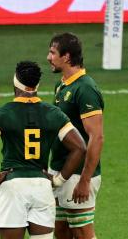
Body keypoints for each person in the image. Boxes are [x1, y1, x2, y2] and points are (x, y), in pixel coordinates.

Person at [0, 61, 87, 239]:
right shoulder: (53, 113)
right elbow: (80, 147)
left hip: (13, 186)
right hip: (42, 187)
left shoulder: (4, 113)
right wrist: (59, 180)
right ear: (37, 85)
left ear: (15, 82)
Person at [47, 32, 104, 239]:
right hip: (62, 170)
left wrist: (85, 180)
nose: (48, 57)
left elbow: (96, 137)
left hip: (78, 174)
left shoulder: (85, 89)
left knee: (82, 232)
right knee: (60, 231)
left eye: (53, 53)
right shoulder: (62, 85)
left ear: (67, 57)